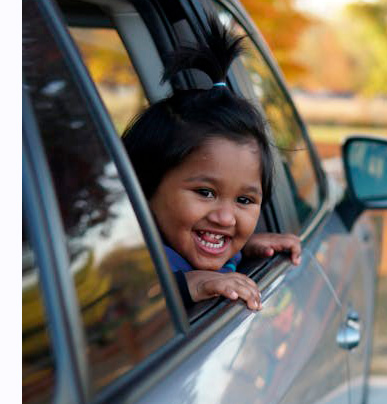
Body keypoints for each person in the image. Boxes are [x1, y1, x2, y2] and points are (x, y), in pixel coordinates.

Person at [121, 19, 301, 312]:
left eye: (244, 200)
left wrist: (244, 248)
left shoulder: (200, 243)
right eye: (205, 192)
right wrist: (186, 287)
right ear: (146, 186)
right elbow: (115, 310)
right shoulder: (125, 263)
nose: (226, 218)